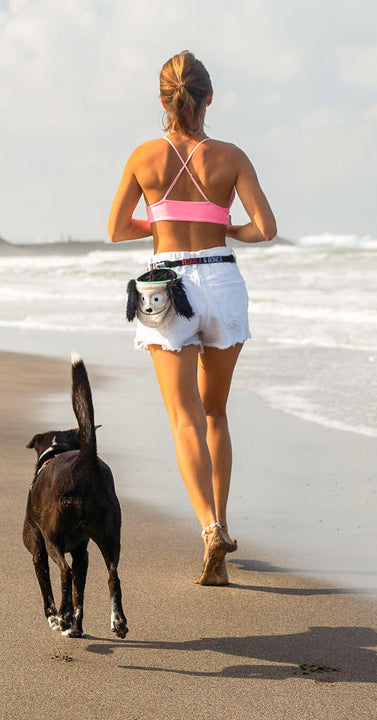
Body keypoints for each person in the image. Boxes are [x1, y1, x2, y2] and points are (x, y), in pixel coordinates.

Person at [107, 50, 278, 585]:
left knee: (183, 417)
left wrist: (162, 223)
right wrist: (222, 228)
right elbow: (265, 228)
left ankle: (207, 527)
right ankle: (222, 522)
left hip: (167, 288)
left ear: (162, 100)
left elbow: (115, 229)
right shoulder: (231, 156)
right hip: (221, 280)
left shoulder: (144, 156)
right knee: (216, 415)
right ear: (209, 98)